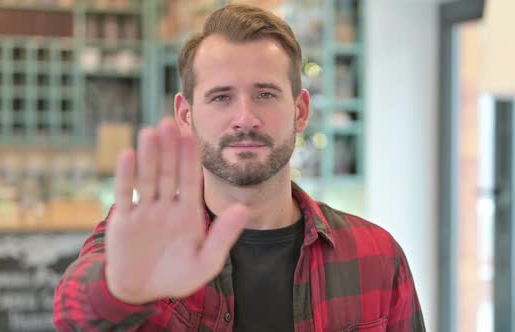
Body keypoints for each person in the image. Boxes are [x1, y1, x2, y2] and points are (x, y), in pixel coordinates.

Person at [53, 4, 425, 332]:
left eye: (265, 94)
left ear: (300, 111)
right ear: (186, 115)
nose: (245, 118)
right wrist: (120, 289)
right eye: (221, 97)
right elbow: (72, 313)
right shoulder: (147, 233)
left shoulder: (376, 255)